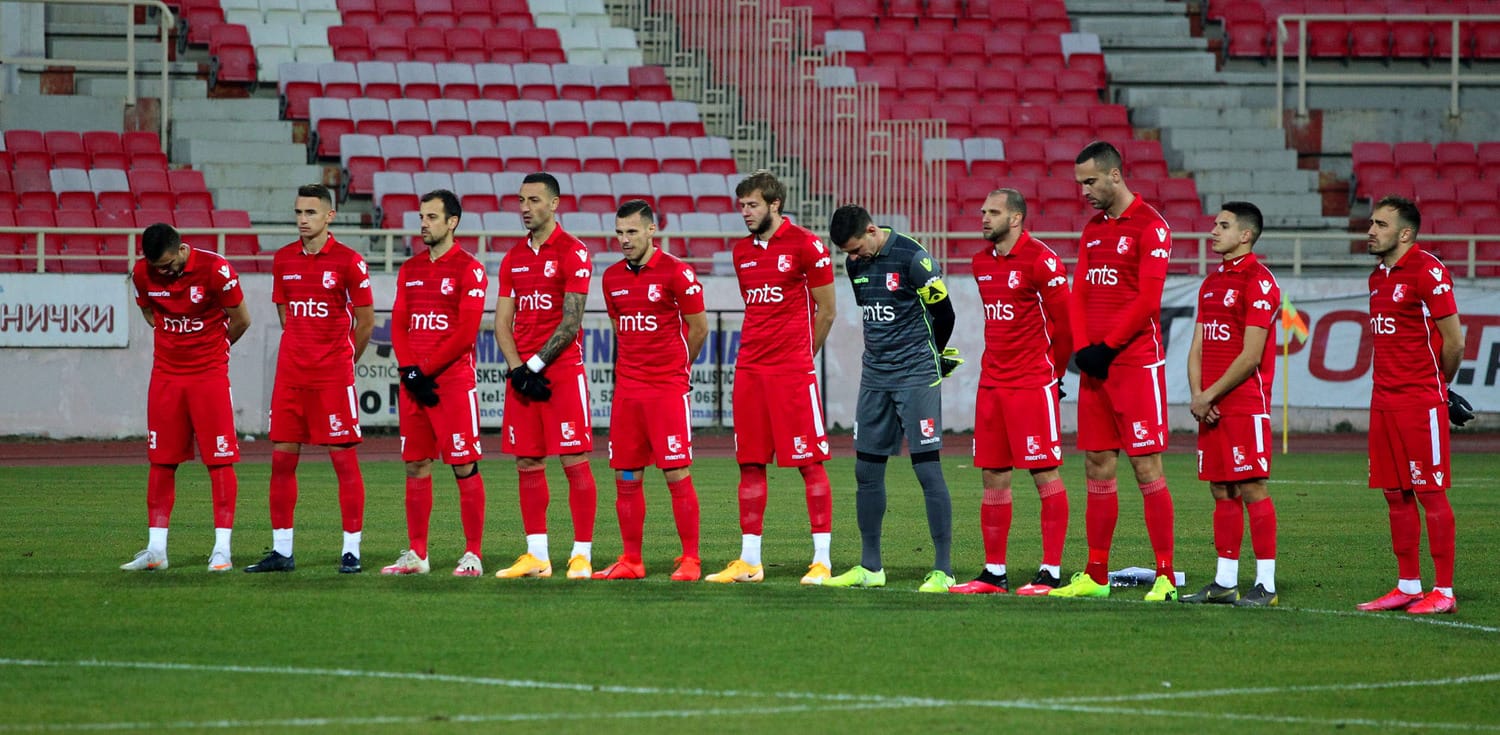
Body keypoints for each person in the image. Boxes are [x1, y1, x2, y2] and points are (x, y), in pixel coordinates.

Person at [1051, 141, 1179, 602]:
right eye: (1080, 182)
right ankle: (1096, 573)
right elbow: (1079, 293)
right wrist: (1085, 349)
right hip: (1096, 366)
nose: (1084, 191)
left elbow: (1148, 300)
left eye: (1090, 181)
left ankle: (1165, 575)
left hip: (1135, 364)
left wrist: (1107, 347)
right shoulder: (1093, 229)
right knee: (1097, 463)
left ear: (1115, 176)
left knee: (1146, 466)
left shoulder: (1152, 227)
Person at [706, 170, 838, 585]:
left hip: (790, 373)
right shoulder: (741, 252)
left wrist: (801, 355)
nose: (745, 213)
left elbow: (827, 310)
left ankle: (821, 560)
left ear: (774, 205)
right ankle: (750, 561)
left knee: (809, 463)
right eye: (742, 205)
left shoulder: (807, 245)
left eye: (753, 205)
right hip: (750, 370)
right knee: (749, 463)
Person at [823, 205, 957, 593]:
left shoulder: (914, 258)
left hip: (916, 374)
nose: (852, 258)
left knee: (927, 469)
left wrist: (934, 355)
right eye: (846, 253)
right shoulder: (855, 266)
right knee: (865, 471)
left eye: (855, 249)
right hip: (875, 377)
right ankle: (870, 567)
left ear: (871, 230)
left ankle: (944, 571)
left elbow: (944, 313)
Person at [948, 189, 1074, 596]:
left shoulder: (1042, 260)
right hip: (992, 384)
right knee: (993, 474)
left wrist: (1051, 375)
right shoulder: (981, 262)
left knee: (1043, 472)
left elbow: (1066, 326)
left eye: (993, 212)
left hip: (1031, 383)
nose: (984, 218)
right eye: (982, 210)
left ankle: (1051, 573)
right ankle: (993, 573)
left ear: (1015, 218)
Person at [244, 184, 374, 575]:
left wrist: (343, 361)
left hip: (333, 378)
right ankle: (282, 550)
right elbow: (287, 316)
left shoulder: (350, 262)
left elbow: (366, 323)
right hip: (291, 377)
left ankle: (351, 549)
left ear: (329, 216)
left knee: (344, 463)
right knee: (282, 462)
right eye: (298, 212)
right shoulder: (283, 259)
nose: (302, 219)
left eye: (310, 213)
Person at [121, 222, 251, 572]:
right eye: (156, 266)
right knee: (161, 460)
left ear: (182, 249)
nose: (162, 271)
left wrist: (216, 349)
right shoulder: (142, 273)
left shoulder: (215, 269)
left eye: (167, 264)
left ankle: (222, 550)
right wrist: (171, 332)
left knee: (220, 460)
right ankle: (156, 550)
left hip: (208, 375)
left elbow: (241, 319)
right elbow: (149, 311)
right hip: (165, 376)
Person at [1358, 195, 1465, 615]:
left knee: (1430, 494)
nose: (1371, 231)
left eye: (1380, 225)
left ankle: (1444, 591)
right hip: (1382, 401)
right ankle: (1407, 584)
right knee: (1394, 494)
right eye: (1372, 223)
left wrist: (1440, 384)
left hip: (1420, 402)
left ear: (1405, 233)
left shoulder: (1427, 270)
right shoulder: (1377, 277)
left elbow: (1455, 340)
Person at [594, 200, 709, 581]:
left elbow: (699, 328)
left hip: (665, 390)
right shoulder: (611, 278)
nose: (624, 240)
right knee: (626, 476)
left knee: (676, 472)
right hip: (627, 392)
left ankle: (690, 559)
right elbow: (618, 325)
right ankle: (631, 560)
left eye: (631, 232)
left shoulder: (677, 273)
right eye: (619, 233)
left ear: (650, 231)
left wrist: (677, 369)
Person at [493, 172, 599, 580]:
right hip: (523, 376)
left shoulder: (574, 252)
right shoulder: (512, 257)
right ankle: (537, 555)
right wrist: (517, 369)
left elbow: (571, 323)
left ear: (554, 204)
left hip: (561, 374)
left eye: (534, 200)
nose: (525, 207)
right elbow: (503, 322)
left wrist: (533, 366)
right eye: (521, 200)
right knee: (528, 461)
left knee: (574, 459)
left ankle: (581, 554)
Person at [380, 189, 490, 577]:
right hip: (415, 384)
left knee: (464, 465)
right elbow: (398, 323)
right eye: (421, 217)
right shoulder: (409, 269)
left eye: (431, 217)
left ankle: (473, 554)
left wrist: (423, 372)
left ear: (452, 222)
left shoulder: (470, 269)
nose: (423, 224)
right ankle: (417, 554)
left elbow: (464, 333)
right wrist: (410, 370)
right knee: (416, 466)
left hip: (452, 384)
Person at [1182, 202, 1281, 607]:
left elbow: (1251, 355)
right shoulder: (1211, 283)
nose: (1212, 231)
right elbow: (1197, 347)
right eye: (1214, 224)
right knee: (1221, 489)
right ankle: (1225, 581)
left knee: (1251, 486)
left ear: (1246, 235)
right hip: (1211, 406)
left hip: (1243, 404)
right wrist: (1198, 396)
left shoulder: (1258, 281)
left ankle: (1266, 585)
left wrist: (1210, 395)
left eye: (1223, 225)